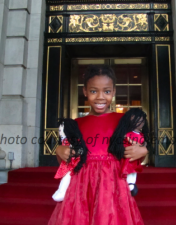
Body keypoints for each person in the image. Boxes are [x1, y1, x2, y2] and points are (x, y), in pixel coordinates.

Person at [48, 65, 148, 225]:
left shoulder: (123, 121)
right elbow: (67, 159)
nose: (100, 97)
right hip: (81, 185)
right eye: (94, 91)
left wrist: (143, 150)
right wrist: (60, 150)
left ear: (114, 92)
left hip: (113, 184)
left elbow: (138, 146)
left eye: (107, 91)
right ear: (85, 92)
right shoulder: (75, 124)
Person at [108, 108, 151, 197]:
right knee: (128, 168)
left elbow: (143, 143)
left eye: (141, 121)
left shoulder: (141, 134)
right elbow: (127, 140)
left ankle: (131, 183)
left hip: (135, 156)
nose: (139, 123)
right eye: (136, 120)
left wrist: (144, 146)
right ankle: (129, 183)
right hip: (127, 155)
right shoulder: (128, 133)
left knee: (132, 170)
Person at [52, 118, 89, 202]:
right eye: (59, 130)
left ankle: (62, 192)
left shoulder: (73, 140)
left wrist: (74, 152)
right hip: (68, 163)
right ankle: (61, 191)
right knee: (65, 176)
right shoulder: (64, 140)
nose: (60, 132)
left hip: (73, 164)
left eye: (62, 129)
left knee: (67, 176)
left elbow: (80, 149)